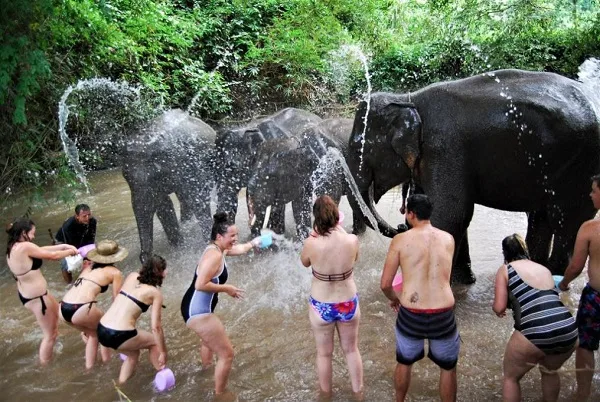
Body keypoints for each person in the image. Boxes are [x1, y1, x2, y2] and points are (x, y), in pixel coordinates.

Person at [380, 194, 459, 402]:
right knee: (448, 368)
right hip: (443, 314)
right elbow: (444, 276)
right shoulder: (448, 239)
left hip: (411, 314)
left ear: (411, 214)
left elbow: (385, 284)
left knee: (404, 362)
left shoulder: (400, 240)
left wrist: (395, 299)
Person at [181, 212, 262, 396]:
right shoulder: (214, 256)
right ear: (219, 236)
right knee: (227, 354)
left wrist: (253, 243)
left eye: (236, 235)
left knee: (208, 342)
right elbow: (200, 284)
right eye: (232, 236)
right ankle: (220, 395)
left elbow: (238, 249)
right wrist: (227, 289)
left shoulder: (217, 249)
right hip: (197, 310)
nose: (235, 239)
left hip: (192, 307)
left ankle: (206, 371)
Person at [494, 233, 578, 402]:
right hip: (568, 328)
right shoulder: (544, 269)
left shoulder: (506, 270)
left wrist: (498, 309)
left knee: (511, 378)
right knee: (550, 371)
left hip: (535, 332)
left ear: (505, 254)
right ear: (525, 250)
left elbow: (499, 306)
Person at [300, 196, 363, 399]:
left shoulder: (311, 243)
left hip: (322, 305)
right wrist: (340, 229)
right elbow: (356, 258)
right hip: (347, 302)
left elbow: (305, 263)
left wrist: (315, 235)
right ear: (337, 217)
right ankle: (358, 393)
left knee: (324, 354)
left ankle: (325, 396)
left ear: (316, 219)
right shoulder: (352, 240)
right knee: (352, 350)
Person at [5, 217, 79, 364]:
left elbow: (41, 250)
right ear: (24, 233)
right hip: (37, 298)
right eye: (32, 233)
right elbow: (52, 256)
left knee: (61, 313)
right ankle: (45, 367)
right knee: (50, 336)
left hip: (33, 295)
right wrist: (70, 252)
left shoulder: (15, 246)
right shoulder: (25, 247)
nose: (34, 236)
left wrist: (63, 246)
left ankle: (78, 335)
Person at [558, 173, 600, 400]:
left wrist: (563, 284)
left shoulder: (590, 228)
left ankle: (583, 393)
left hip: (596, 298)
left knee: (585, 346)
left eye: (594, 190)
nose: (590, 194)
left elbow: (575, 266)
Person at [97, 254, 167, 384]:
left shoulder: (132, 276)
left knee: (133, 354)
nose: (166, 273)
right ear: (159, 273)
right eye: (164, 270)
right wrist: (162, 352)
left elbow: (120, 300)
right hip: (119, 334)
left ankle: (121, 385)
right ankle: (162, 372)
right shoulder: (154, 293)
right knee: (153, 342)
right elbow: (156, 327)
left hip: (101, 329)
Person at [60, 240, 125, 369]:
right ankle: (107, 363)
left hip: (63, 307)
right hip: (81, 308)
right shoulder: (115, 272)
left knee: (93, 334)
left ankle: (89, 369)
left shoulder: (88, 268)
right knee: (103, 329)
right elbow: (116, 299)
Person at [55, 204, 97, 284]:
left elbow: (91, 240)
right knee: (66, 264)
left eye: (89, 215)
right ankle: (69, 283)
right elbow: (72, 245)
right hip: (63, 242)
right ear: (77, 216)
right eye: (84, 216)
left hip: (79, 238)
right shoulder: (68, 226)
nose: (87, 218)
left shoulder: (93, 221)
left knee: (90, 258)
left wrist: (89, 254)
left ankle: (86, 279)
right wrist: (81, 256)